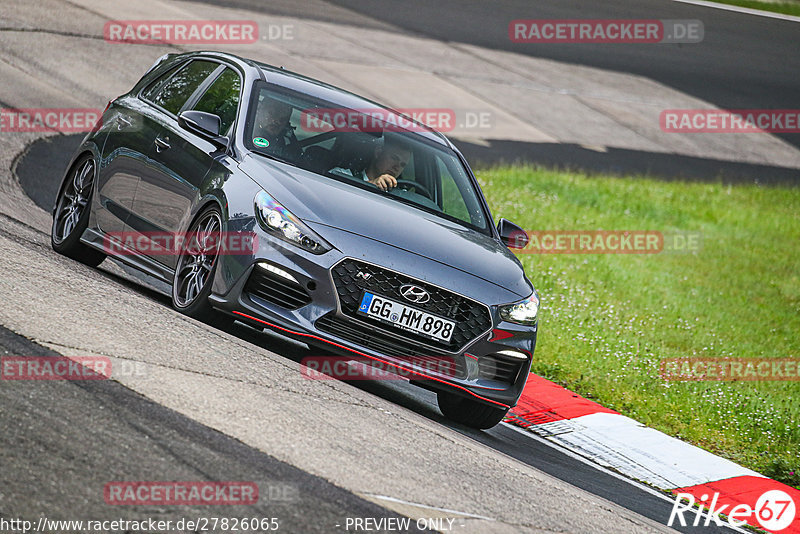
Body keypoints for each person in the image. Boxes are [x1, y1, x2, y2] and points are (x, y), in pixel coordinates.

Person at [329, 135, 411, 191]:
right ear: (378, 153)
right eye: (394, 158)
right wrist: (371, 185)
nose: (397, 167)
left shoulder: (400, 196)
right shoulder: (342, 175)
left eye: (402, 164)